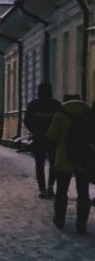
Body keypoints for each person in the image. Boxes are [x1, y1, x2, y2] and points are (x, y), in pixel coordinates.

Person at [46, 94, 92, 234]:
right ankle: (81, 224)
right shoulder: (88, 113)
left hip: (64, 158)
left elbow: (51, 135)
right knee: (83, 192)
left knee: (61, 190)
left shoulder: (60, 114)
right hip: (83, 159)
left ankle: (60, 219)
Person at [24, 82, 62, 199]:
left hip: (39, 138)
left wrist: (35, 131)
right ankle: (50, 186)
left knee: (39, 164)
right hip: (53, 138)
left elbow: (27, 121)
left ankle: (42, 189)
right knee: (54, 164)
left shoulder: (33, 105)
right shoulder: (56, 105)